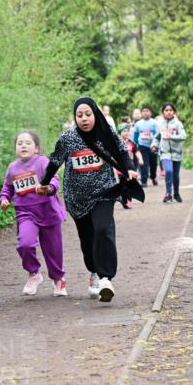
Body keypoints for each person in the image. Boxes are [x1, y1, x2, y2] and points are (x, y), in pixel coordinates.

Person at [40, 97, 142, 303]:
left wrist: (130, 168)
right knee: (87, 239)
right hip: (76, 197)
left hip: (104, 191)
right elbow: (54, 161)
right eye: (80, 115)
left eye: (88, 114)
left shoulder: (106, 134)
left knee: (104, 230)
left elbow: (122, 150)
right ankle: (94, 272)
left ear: (95, 115)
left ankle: (105, 278)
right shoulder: (67, 138)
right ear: (75, 117)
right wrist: (44, 182)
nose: (84, 119)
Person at [0, 130, 67, 297]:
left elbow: (54, 180)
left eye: (28, 143)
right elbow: (7, 187)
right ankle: (34, 273)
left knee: (53, 250)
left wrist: (49, 188)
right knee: (25, 244)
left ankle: (58, 279)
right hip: (26, 213)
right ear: (15, 148)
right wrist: (4, 199)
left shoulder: (42, 162)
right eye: (20, 143)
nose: (23, 145)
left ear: (36, 148)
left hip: (48, 211)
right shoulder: (13, 167)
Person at [152, 102, 187, 203]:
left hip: (177, 153)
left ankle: (176, 193)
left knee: (175, 175)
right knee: (168, 171)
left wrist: (170, 136)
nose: (168, 112)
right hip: (165, 153)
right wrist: (154, 145)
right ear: (163, 112)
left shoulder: (178, 124)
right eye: (166, 110)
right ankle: (168, 194)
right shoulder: (159, 124)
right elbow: (157, 138)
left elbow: (183, 136)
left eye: (170, 110)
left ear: (174, 112)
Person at [118, 123, 143, 210]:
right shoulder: (116, 143)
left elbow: (137, 151)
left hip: (130, 168)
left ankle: (128, 200)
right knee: (123, 186)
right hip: (119, 169)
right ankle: (124, 201)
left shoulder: (131, 143)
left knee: (130, 184)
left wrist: (140, 159)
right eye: (124, 131)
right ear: (119, 133)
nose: (126, 133)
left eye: (127, 131)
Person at [133, 106, 159, 186]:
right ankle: (144, 181)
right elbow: (136, 135)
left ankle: (153, 177)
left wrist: (154, 143)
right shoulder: (138, 123)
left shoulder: (154, 122)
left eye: (147, 111)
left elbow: (157, 133)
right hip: (142, 146)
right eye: (143, 111)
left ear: (150, 113)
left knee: (153, 163)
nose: (145, 113)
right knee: (144, 163)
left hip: (153, 146)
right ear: (141, 113)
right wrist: (135, 144)